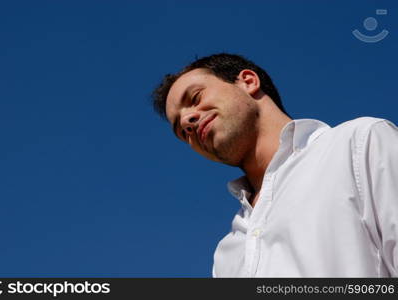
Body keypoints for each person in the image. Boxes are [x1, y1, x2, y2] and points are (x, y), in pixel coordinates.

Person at [151, 53, 398, 277]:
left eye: (195, 97)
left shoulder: (360, 144)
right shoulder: (226, 253)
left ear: (248, 81)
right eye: (182, 132)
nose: (187, 121)